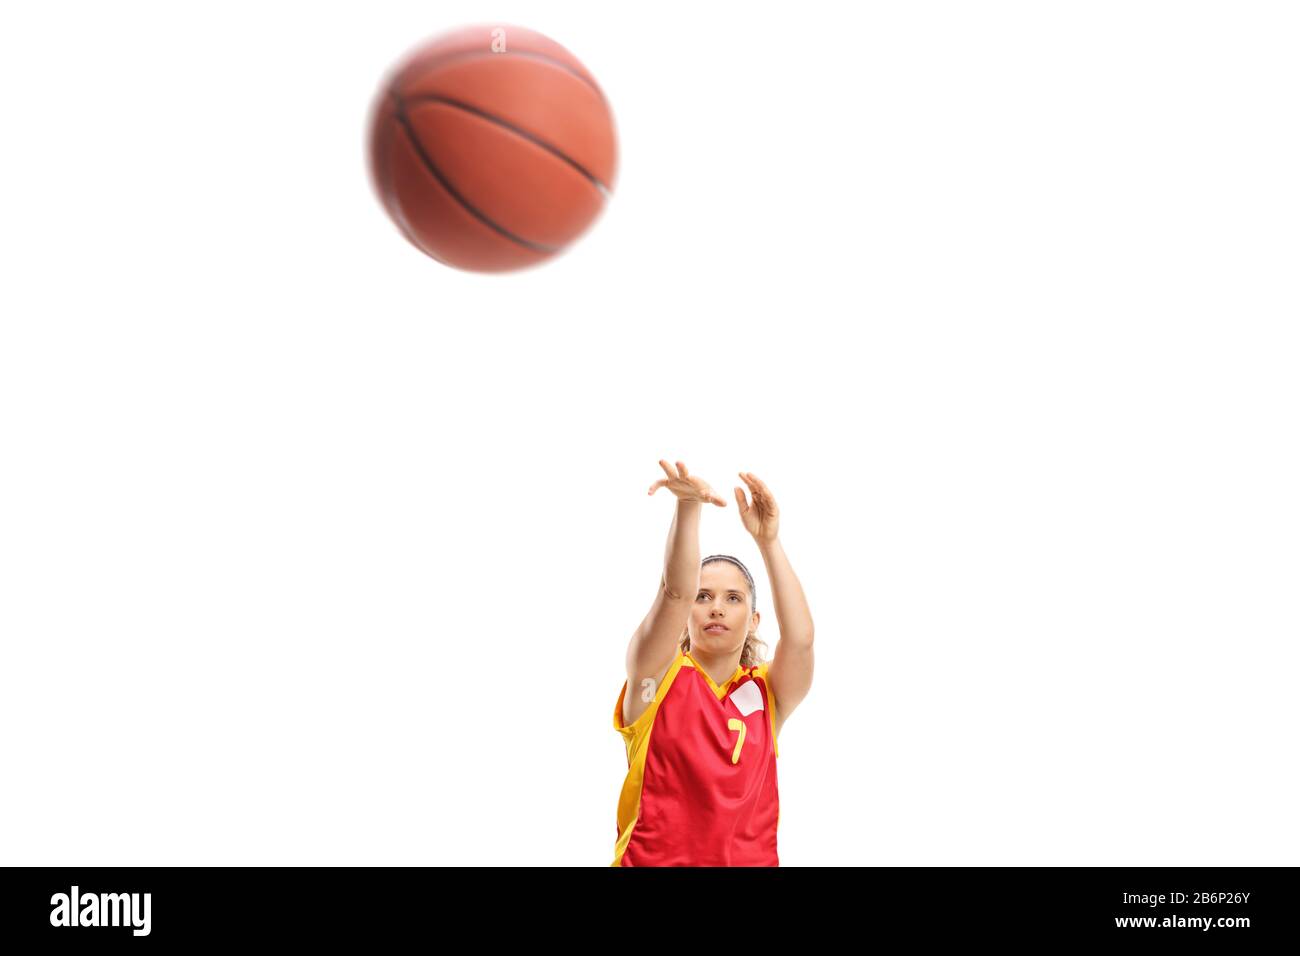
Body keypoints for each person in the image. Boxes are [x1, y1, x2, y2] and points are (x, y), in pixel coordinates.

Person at [611, 459, 815, 866]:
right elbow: (673, 593)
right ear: (689, 611)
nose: (716, 608)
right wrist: (689, 507)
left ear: (754, 619)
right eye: (703, 597)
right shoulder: (656, 677)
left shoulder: (765, 694)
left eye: (733, 598)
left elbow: (801, 639)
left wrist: (769, 542)